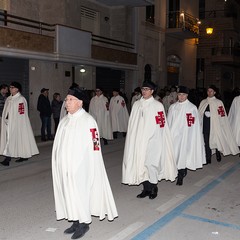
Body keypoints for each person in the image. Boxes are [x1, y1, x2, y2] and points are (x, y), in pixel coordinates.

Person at [52, 87, 118, 240]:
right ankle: (75, 220)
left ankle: (84, 223)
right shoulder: (65, 120)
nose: (66, 103)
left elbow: (95, 146)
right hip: (66, 166)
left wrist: (89, 165)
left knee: (81, 194)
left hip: (81, 166)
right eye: (66, 100)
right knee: (69, 192)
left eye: (70, 100)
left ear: (80, 103)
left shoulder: (88, 121)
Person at [122, 81, 177, 200]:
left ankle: (153, 187)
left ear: (152, 91)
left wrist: (157, 138)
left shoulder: (157, 105)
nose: (144, 91)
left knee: (151, 164)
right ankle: (146, 188)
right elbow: (133, 123)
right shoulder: (137, 104)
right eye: (143, 89)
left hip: (153, 139)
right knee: (140, 163)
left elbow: (161, 125)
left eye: (147, 89)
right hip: (138, 140)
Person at [167, 86, 206, 185]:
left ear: (187, 95)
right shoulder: (173, 107)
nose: (181, 97)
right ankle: (176, 171)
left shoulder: (191, 108)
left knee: (182, 155)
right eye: (179, 94)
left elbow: (193, 124)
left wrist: (189, 135)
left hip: (185, 136)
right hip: (174, 136)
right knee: (174, 155)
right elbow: (169, 122)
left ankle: (180, 176)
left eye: (183, 95)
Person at [0, 82, 39, 166]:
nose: (10, 89)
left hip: (17, 124)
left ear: (17, 89)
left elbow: (22, 113)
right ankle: (23, 155)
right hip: (8, 123)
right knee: (11, 140)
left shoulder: (21, 99)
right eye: (10, 87)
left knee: (12, 140)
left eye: (12, 87)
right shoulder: (9, 98)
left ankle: (7, 159)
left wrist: (18, 124)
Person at [198, 85, 239, 164]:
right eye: (208, 91)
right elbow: (198, 113)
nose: (209, 93)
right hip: (205, 125)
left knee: (216, 139)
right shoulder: (203, 102)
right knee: (206, 140)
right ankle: (208, 157)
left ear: (214, 92)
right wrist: (203, 114)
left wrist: (213, 115)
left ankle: (217, 152)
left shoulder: (218, 102)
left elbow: (222, 114)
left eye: (211, 91)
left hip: (215, 125)